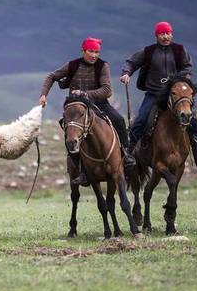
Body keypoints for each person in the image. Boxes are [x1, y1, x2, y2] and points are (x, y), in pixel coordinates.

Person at [120, 21, 197, 171]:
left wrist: (183, 78)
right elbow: (132, 62)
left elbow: (187, 66)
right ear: (156, 35)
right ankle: (129, 154)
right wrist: (126, 73)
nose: (165, 36)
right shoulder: (149, 51)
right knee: (140, 120)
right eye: (162, 34)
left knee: (193, 121)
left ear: (172, 34)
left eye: (168, 33)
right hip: (154, 93)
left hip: (175, 94)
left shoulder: (179, 50)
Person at [40, 37, 135, 187]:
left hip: (99, 104)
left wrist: (85, 93)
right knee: (70, 133)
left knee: (118, 119)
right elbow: (52, 76)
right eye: (91, 51)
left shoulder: (103, 66)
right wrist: (44, 95)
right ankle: (80, 169)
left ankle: (126, 153)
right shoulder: (72, 65)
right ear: (83, 51)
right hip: (76, 107)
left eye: (96, 52)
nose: (94, 55)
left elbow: (107, 90)